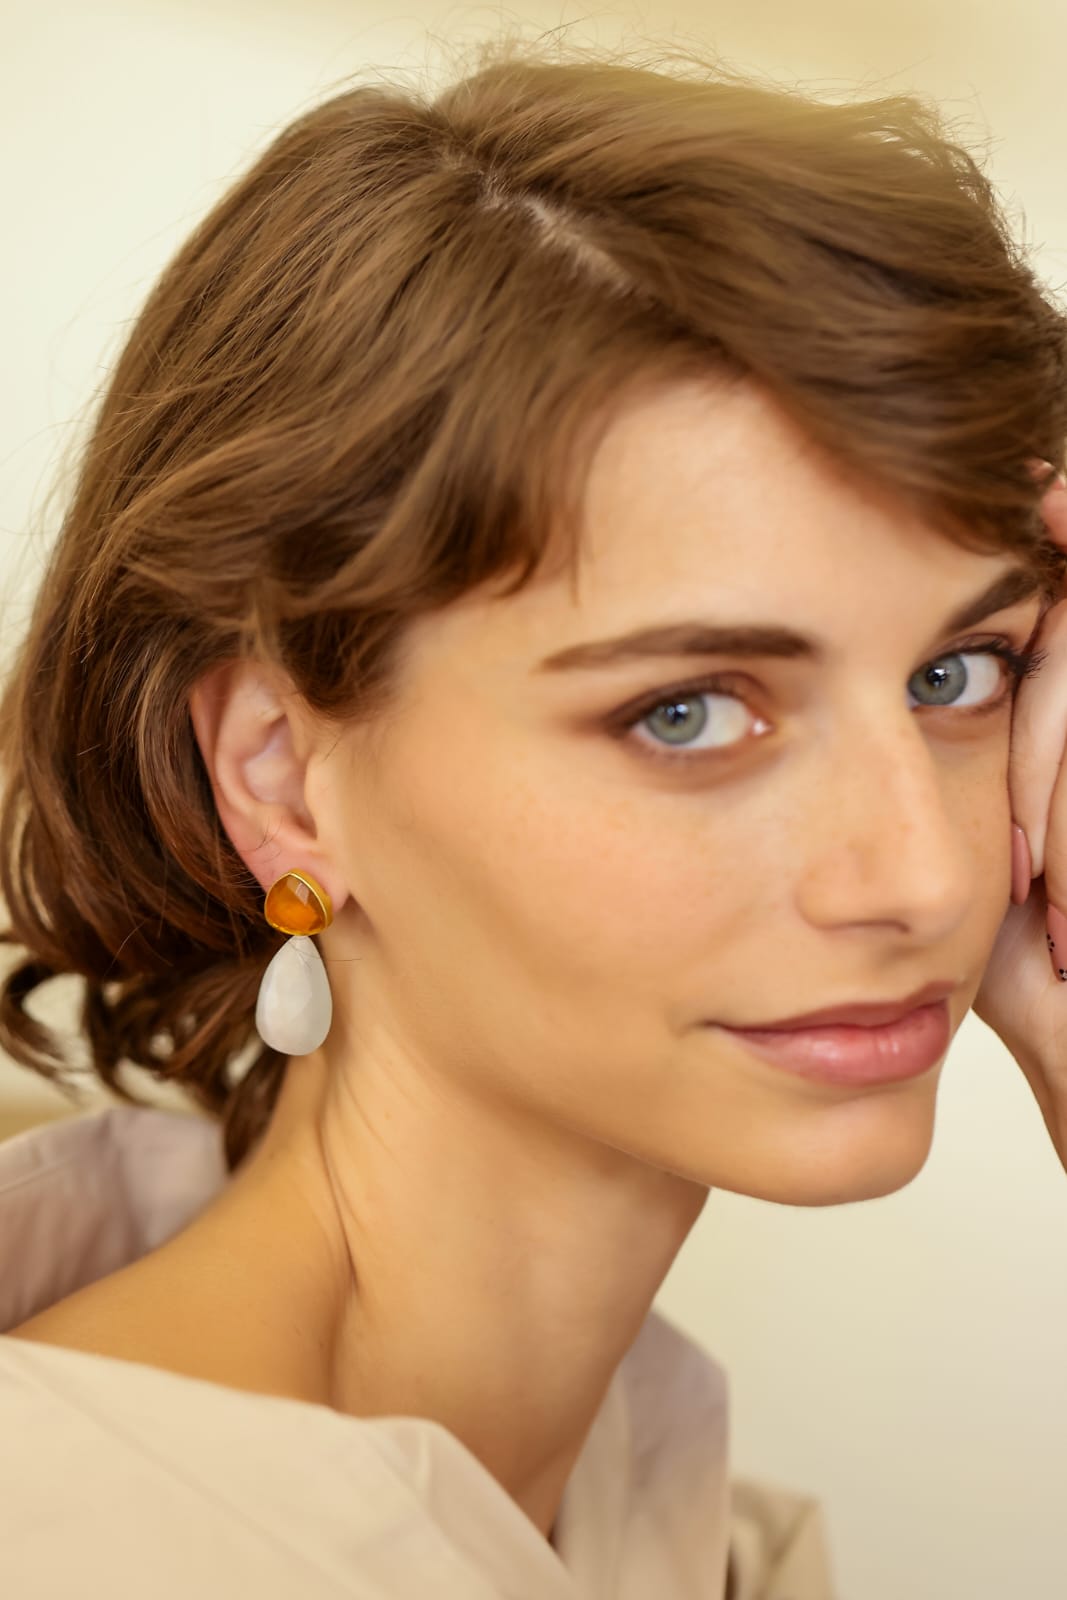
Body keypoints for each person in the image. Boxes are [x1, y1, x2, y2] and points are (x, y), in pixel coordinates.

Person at [1, 30, 1066, 1599]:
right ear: (285, 779)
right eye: (688, 712)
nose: (922, 870)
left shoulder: (683, 1528)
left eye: (959, 672)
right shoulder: (101, 1545)